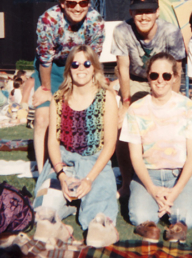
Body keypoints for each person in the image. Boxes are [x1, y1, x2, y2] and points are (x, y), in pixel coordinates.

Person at [33, 45, 118, 247]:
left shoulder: (106, 97)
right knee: (44, 215)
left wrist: (88, 179)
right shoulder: (59, 98)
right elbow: (52, 142)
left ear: (95, 67)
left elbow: (110, 145)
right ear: (69, 69)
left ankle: (93, 214)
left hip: (95, 163)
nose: (81, 68)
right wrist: (61, 175)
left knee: (98, 227)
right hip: (65, 161)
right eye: (75, 64)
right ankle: (62, 222)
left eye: (87, 63)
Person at [111, 0, 186, 197]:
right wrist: (125, 104)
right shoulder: (121, 31)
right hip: (134, 80)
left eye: (148, 11)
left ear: (157, 12)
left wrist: (174, 101)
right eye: (139, 11)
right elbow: (123, 68)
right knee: (123, 127)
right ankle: (126, 183)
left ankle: (173, 178)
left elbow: (176, 71)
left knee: (168, 125)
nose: (144, 16)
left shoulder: (171, 32)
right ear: (131, 12)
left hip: (163, 80)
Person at [120, 52, 192, 243]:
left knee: (188, 219)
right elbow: (136, 157)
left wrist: (175, 191)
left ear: (173, 77)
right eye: (154, 75)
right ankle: (159, 216)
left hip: (180, 174)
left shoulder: (189, 107)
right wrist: (152, 189)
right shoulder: (136, 109)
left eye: (166, 75)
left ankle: (174, 218)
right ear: (148, 77)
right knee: (139, 218)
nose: (160, 80)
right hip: (148, 174)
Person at [32, 0, 105, 173]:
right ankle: (42, 173)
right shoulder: (48, 20)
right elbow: (45, 59)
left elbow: (93, 57)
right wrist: (46, 89)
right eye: (72, 3)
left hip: (79, 67)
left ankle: (80, 163)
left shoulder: (96, 21)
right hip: (52, 68)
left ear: (89, 3)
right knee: (42, 117)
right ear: (62, 3)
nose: (77, 8)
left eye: (83, 3)